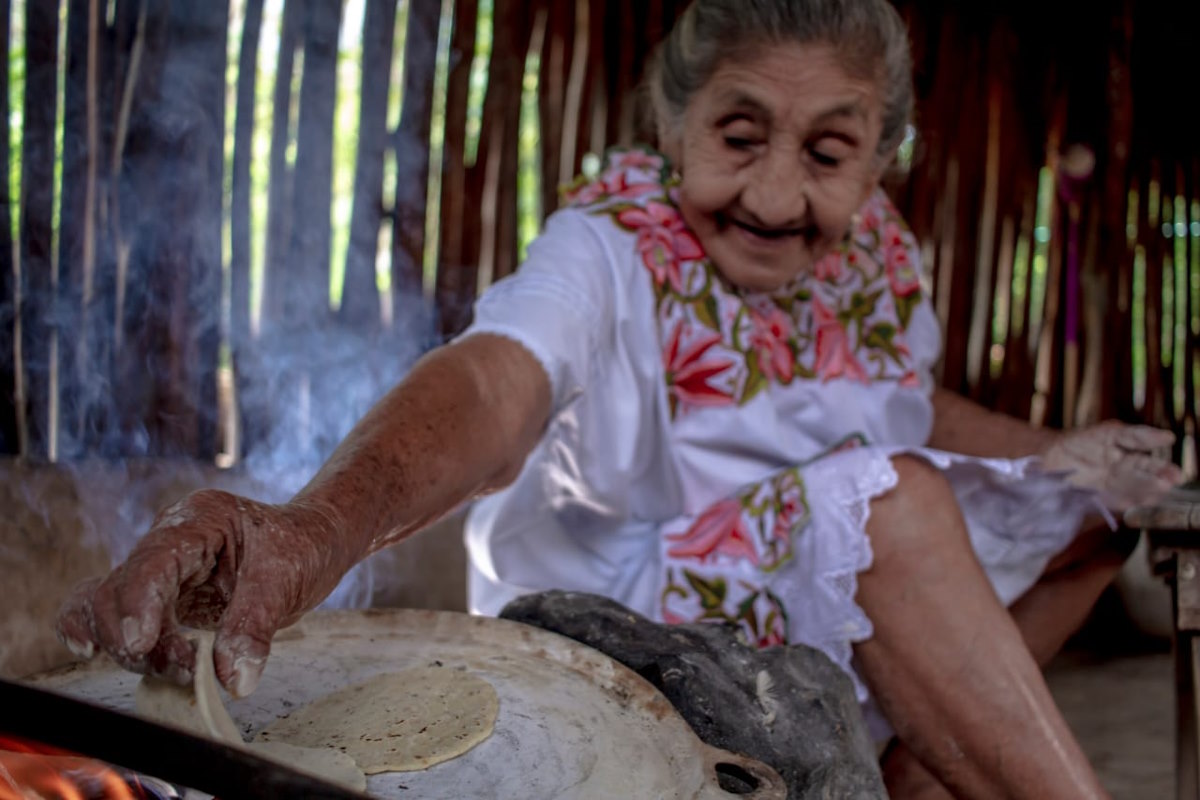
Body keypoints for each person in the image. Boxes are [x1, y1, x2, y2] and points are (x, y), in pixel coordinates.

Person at [58, 1, 1181, 797]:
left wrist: (1065, 452)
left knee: (1085, 523)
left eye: (831, 153)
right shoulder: (606, 246)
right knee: (898, 512)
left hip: (813, 575)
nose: (780, 193)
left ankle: (891, 777)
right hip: (637, 603)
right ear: (672, 121)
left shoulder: (876, 254)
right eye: (739, 138)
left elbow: (901, 404)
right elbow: (496, 380)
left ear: (880, 157)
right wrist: (316, 525)